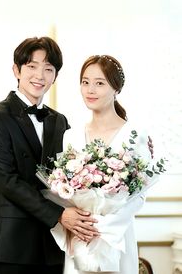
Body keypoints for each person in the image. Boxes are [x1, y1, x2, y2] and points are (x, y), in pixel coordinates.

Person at [0, 36, 98, 274]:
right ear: (16, 70)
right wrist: (61, 215)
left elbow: (73, 171)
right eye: (32, 66)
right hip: (11, 248)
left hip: (52, 246)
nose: (39, 75)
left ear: (55, 76)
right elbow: (8, 182)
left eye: (48, 69)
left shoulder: (59, 120)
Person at [62, 54, 153, 274]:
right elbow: (63, 188)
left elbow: (139, 194)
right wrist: (80, 224)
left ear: (116, 89)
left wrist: (104, 227)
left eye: (99, 83)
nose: (90, 90)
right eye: (85, 82)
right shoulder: (71, 136)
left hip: (117, 236)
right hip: (81, 235)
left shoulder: (135, 134)